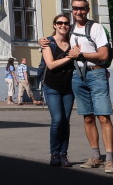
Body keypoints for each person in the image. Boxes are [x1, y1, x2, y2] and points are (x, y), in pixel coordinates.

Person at [66, 0, 113, 174]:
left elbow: (103, 55)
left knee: (103, 117)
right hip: (77, 76)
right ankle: (96, 156)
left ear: (87, 10)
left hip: (96, 74)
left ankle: (109, 160)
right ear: (71, 10)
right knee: (87, 118)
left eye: (81, 9)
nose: (78, 12)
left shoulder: (96, 28)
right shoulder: (70, 29)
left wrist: (81, 55)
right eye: (75, 9)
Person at [42, 14, 75, 167]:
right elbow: (51, 65)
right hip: (52, 86)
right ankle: (54, 153)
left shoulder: (73, 42)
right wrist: (70, 57)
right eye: (60, 23)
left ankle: (63, 154)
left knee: (65, 122)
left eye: (66, 23)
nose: (63, 25)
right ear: (54, 25)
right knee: (57, 120)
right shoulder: (48, 43)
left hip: (68, 88)